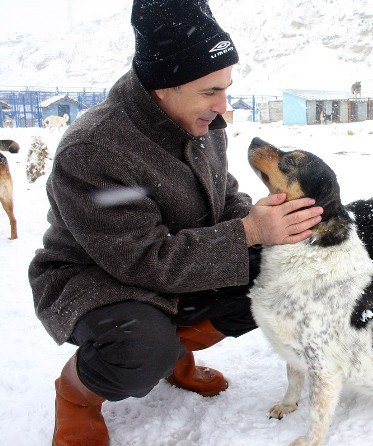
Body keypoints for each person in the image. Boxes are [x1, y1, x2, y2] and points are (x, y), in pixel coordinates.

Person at [28, 1, 323, 445]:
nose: (223, 106)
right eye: (209, 91)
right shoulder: (94, 148)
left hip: (180, 260)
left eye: (226, 88)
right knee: (140, 348)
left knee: (279, 279)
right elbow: (140, 259)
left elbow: (224, 198)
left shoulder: (203, 124)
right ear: (162, 88)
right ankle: (78, 394)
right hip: (98, 278)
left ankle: (174, 354)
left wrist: (267, 223)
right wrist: (249, 232)